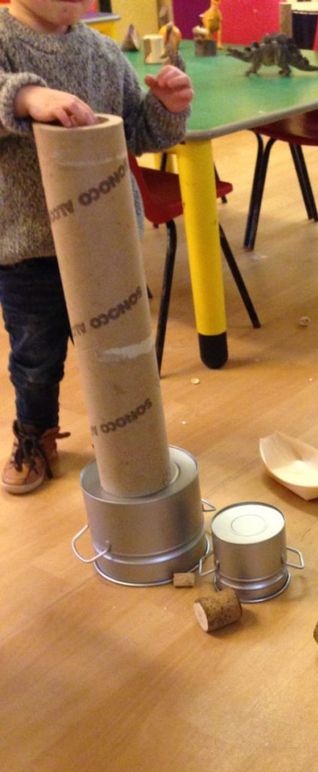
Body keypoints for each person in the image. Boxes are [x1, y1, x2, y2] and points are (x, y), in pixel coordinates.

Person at [0, 0, 193, 494]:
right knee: (36, 356)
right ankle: (34, 434)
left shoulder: (104, 52)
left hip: (107, 242)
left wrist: (167, 109)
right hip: (29, 245)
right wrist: (27, 97)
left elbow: (141, 132)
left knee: (121, 348)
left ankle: (132, 437)